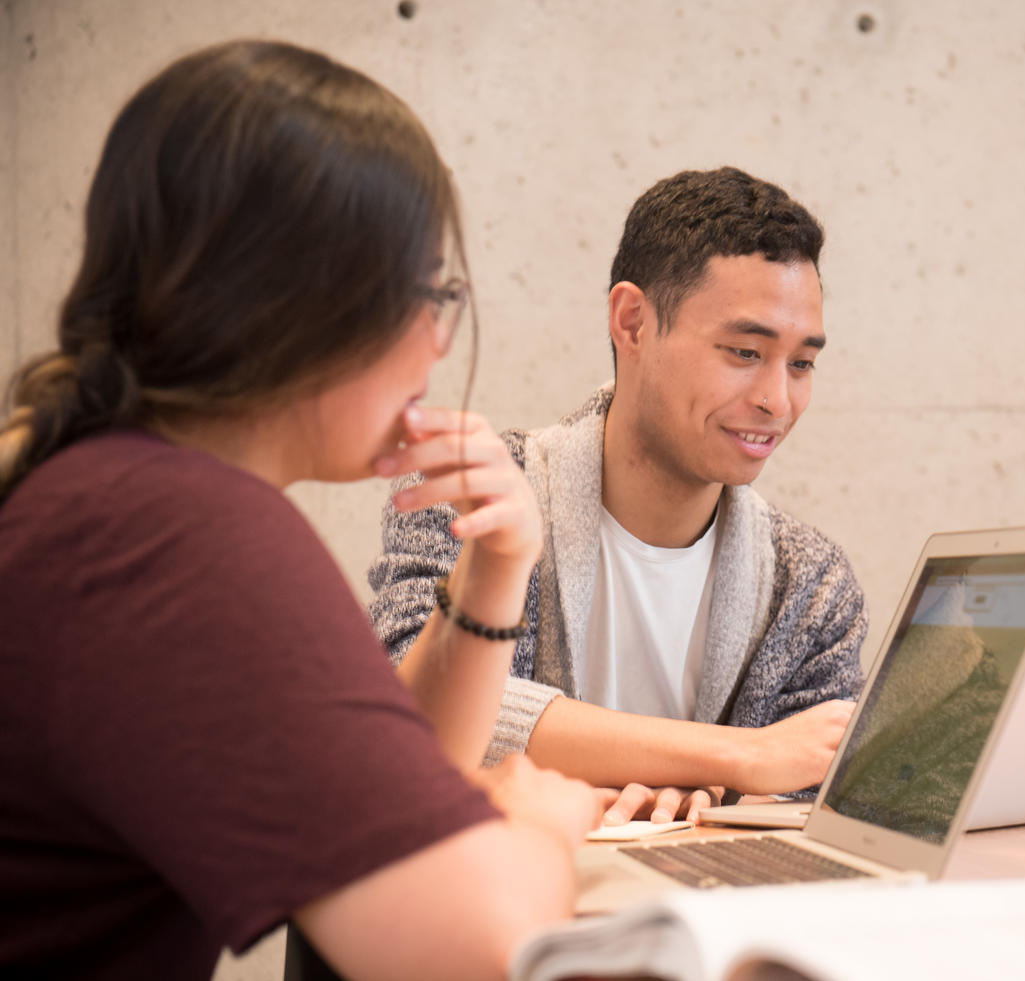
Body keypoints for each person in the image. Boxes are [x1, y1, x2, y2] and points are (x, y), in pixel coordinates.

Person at [0, 40, 602, 979]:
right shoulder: (179, 534)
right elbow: (479, 949)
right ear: (322, 302)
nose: (436, 345)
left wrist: (495, 568)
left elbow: (388, 796)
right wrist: (538, 824)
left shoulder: (101, 490)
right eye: (434, 295)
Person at [370, 168, 867, 823]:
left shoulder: (812, 585)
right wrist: (736, 756)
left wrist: (691, 790)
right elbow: (412, 719)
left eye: (801, 364)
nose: (777, 399)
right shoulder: (474, 501)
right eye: (745, 351)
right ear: (631, 322)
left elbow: (815, 799)